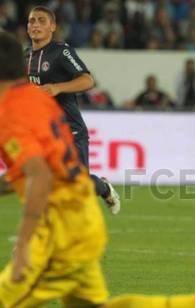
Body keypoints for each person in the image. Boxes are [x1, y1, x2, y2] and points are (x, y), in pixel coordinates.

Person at [0, 32, 195, 308]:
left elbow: (40, 176)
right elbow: (35, 170)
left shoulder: (11, 111)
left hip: (59, 229)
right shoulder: (36, 99)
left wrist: (24, 243)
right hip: (82, 218)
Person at [24, 6, 120, 215]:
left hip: (70, 129)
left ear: (53, 26)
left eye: (41, 20)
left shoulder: (61, 51)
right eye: (32, 21)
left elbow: (88, 80)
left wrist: (58, 87)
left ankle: (103, 188)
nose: (36, 25)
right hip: (45, 133)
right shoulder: (27, 56)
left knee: (78, 184)